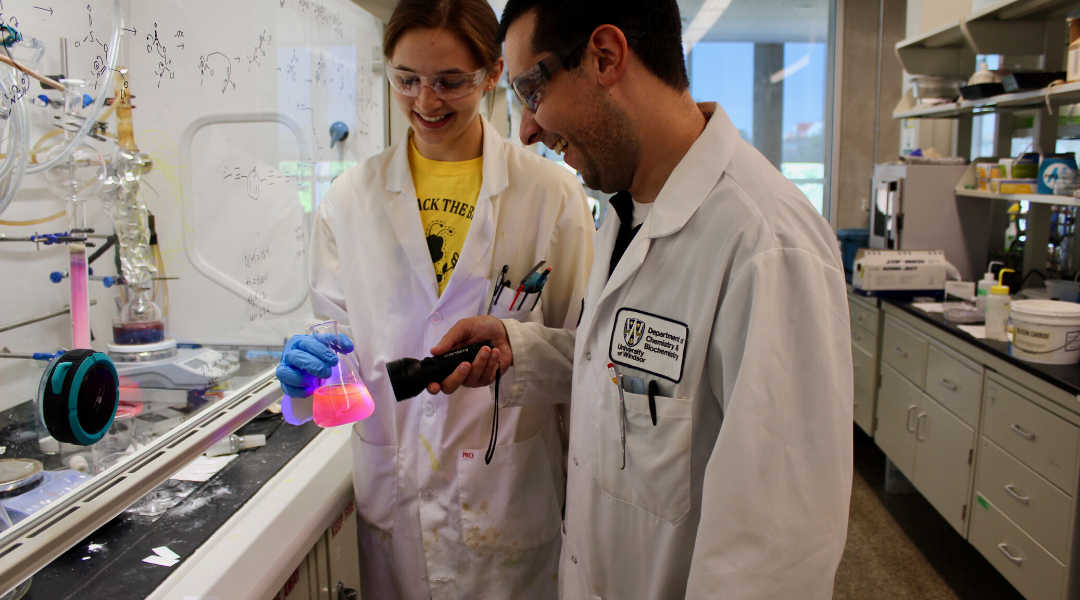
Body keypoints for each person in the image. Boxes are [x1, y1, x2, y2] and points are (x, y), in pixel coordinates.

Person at [429, 0, 854, 598]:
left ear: (604, 57)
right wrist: (518, 347)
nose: (526, 128)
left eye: (531, 89)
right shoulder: (628, 209)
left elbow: (776, 551)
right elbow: (631, 374)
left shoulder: (766, 244)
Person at [274, 0, 594, 597]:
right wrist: (304, 386)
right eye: (406, 80)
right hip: (396, 512)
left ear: (493, 73)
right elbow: (334, 362)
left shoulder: (551, 196)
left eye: (449, 81)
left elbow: (587, 359)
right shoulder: (351, 200)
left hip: (509, 508)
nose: (425, 102)